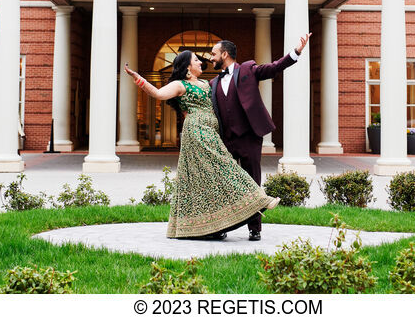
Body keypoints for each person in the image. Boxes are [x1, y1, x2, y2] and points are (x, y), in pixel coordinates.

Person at [124, 50, 280, 240]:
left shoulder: (207, 84)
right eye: (196, 60)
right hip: (197, 132)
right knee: (225, 168)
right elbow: (158, 93)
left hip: (212, 132)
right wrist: (139, 78)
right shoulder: (179, 84)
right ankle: (258, 199)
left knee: (207, 179)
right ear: (187, 67)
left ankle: (212, 226)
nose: (201, 62)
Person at [209, 33, 310, 241]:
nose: (211, 57)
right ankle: (223, 226)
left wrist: (296, 52)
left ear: (225, 54)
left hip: (248, 137)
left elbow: (274, 67)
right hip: (225, 140)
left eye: (214, 53)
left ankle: (255, 228)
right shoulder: (212, 83)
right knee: (224, 183)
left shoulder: (247, 70)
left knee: (253, 182)